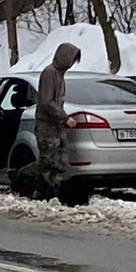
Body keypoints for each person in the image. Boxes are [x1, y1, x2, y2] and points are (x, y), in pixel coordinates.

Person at [35, 42, 81, 199]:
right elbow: (46, 101)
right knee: (49, 160)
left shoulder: (59, 75)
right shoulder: (50, 73)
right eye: (72, 59)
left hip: (56, 124)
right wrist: (64, 117)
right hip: (47, 125)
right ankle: (44, 193)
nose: (73, 63)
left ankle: (52, 193)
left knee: (59, 160)